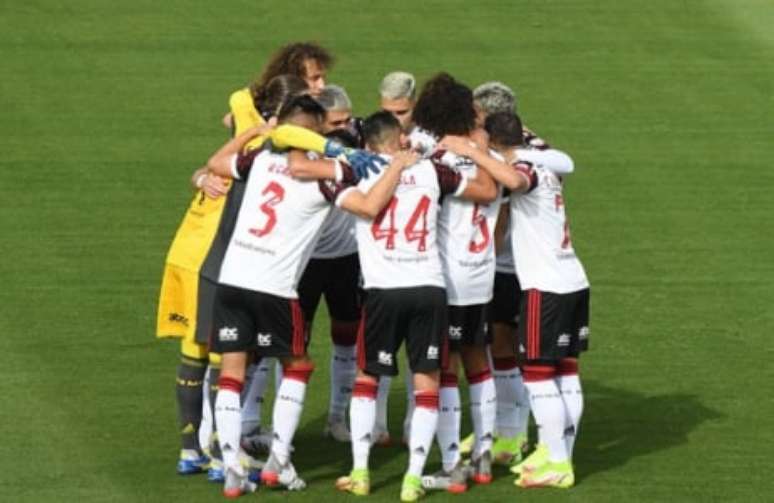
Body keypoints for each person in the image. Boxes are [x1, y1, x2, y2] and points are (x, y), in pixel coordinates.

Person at [204, 95, 408, 498]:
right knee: (297, 366)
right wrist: (395, 168)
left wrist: (253, 133)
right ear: (313, 133)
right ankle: (279, 460)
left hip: (233, 279)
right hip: (275, 288)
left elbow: (215, 164)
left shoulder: (259, 161)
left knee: (232, 373)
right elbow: (367, 206)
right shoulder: (328, 174)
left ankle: (231, 468)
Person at [335, 111, 497, 502]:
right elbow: (488, 192)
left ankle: (360, 471)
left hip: (384, 290)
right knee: (427, 381)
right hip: (430, 287)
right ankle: (413, 478)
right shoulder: (433, 172)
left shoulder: (355, 172)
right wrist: (479, 152)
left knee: (368, 378)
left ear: (369, 146)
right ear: (401, 138)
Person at [440, 111, 590, 489]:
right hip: (572, 279)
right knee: (563, 371)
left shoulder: (528, 169)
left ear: (493, 141)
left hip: (547, 286)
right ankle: (560, 455)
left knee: (538, 377)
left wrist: (470, 153)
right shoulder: (547, 166)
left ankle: (557, 461)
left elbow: (511, 178)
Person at [406, 72, 505, 491]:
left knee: (443, 367)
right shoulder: (490, 157)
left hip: (446, 277)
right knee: (479, 362)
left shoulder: (437, 159)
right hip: (482, 274)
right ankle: (482, 458)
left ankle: (451, 461)